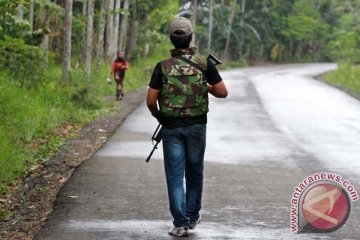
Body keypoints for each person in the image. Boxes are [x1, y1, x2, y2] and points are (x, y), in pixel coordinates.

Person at [146, 17, 228, 237]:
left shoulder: (162, 67)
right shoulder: (203, 64)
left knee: (174, 175)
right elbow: (222, 92)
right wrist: (205, 87)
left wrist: (159, 117)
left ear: (172, 40)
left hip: (171, 128)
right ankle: (192, 218)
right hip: (197, 128)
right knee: (194, 173)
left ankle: (180, 223)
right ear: (191, 38)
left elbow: (150, 100)